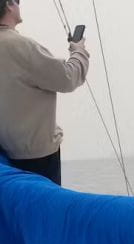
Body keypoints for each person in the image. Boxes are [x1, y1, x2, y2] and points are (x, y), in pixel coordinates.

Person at [0, 0, 90, 185]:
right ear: (9, 4)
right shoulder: (19, 46)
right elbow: (68, 78)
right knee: (41, 208)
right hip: (37, 159)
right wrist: (79, 50)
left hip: (5, 153)